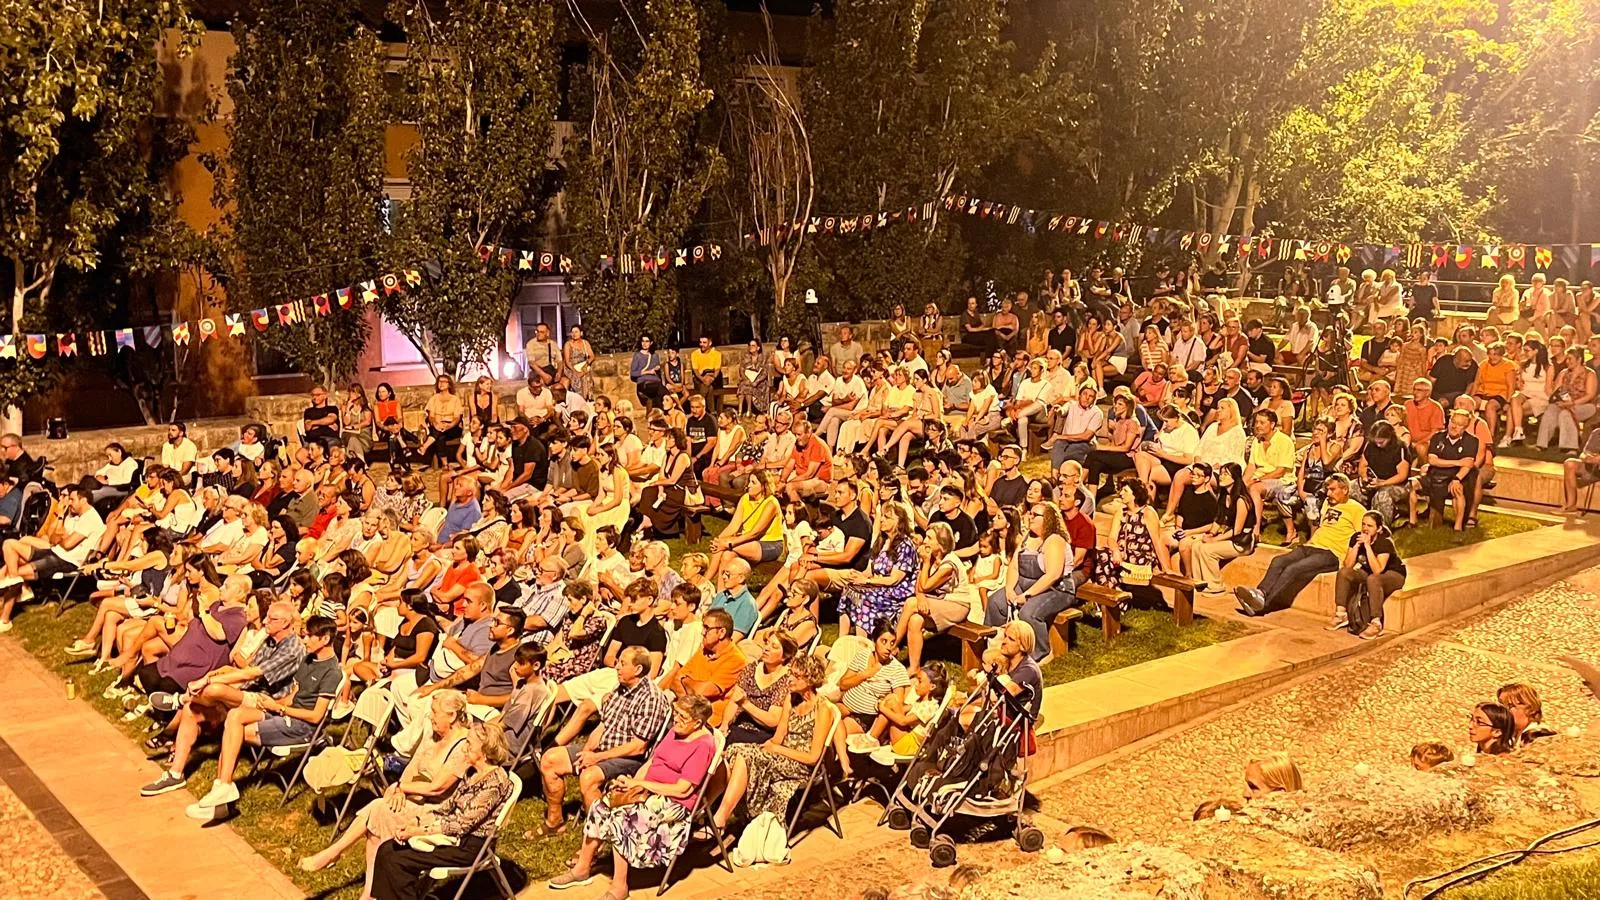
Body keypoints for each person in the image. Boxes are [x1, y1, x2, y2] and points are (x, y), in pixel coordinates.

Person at [297, 689, 474, 889]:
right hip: (415, 798)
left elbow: (437, 788)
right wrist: (399, 789)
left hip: (439, 810)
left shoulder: (463, 746)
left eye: (435, 712)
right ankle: (369, 889)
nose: (430, 716)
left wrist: (402, 788)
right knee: (377, 822)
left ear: (451, 716)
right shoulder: (435, 734)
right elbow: (413, 765)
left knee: (378, 810)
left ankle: (334, 854)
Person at [549, 694, 717, 895]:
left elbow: (683, 789)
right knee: (600, 807)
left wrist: (640, 784)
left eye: (682, 717)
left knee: (623, 817)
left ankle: (620, 886)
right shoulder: (675, 732)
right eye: (675, 714)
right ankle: (582, 868)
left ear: (698, 722)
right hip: (649, 790)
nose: (676, 720)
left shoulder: (703, 745)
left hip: (673, 802)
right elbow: (652, 762)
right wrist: (631, 785)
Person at [180, 615, 339, 816]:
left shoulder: (332, 672)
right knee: (235, 716)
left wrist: (280, 709)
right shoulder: (309, 660)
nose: (304, 640)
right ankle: (222, 788)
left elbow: (316, 717)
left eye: (308, 636)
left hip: (303, 727)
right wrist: (274, 705)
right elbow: (294, 696)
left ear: (324, 639)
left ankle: (221, 797)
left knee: (233, 732)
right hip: (285, 715)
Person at [366, 722, 516, 900]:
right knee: (386, 849)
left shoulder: (495, 783)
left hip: (470, 846)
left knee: (397, 861)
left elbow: (462, 824)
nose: (464, 748)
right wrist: (417, 821)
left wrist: (418, 831)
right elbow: (448, 807)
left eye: (469, 744)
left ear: (483, 752)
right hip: (453, 836)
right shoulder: (472, 774)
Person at [536, 646, 671, 834]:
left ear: (638, 670)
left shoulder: (651, 698)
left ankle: (597, 838)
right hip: (604, 751)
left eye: (622, 664)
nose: (616, 667)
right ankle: (555, 821)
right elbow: (603, 725)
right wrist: (589, 751)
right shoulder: (621, 689)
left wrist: (597, 758)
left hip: (629, 759)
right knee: (550, 759)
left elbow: (638, 747)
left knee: (589, 777)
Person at [711, 651, 838, 830]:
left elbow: (813, 757)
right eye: (790, 674)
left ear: (809, 680)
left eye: (796, 676)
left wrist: (777, 750)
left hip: (802, 765)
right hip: (782, 757)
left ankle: (720, 815)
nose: (790, 679)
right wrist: (769, 746)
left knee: (746, 755)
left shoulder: (823, 709)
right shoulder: (791, 699)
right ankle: (718, 812)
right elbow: (779, 737)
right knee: (739, 751)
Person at [1235, 474, 1364, 617]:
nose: (1328, 494)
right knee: (1278, 561)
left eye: (1333, 490)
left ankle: (1263, 604)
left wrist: (1356, 559)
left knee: (1293, 569)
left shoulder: (1357, 510)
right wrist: (1310, 542)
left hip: (1331, 553)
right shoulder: (1327, 503)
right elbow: (1321, 526)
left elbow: (1360, 537)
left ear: (1345, 490)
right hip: (1312, 547)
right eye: (1327, 490)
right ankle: (1260, 593)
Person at [983, 502, 1074, 661]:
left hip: (1056, 589)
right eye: (1030, 513)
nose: (1030, 517)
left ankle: (1039, 653)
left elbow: (1053, 574)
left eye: (1035, 515)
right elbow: (1014, 567)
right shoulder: (1027, 537)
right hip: (1025, 585)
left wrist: (1027, 595)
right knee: (995, 602)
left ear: (1048, 519)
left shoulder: (1054, 540)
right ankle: (998, 647)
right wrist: (1010, 589)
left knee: (1029, 612)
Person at [837, 504, 917, 637]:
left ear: (897, 521)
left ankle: (861, 644)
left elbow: (893, 580)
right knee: (849, 590)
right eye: (882, 517)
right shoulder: (881, 541)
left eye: (886, 517)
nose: (881, 520)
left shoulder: (905, 545)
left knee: (864, 599)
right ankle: (842, 641)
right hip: (877, 585)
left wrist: (867, 581)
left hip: (894, 593)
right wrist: (858, 577)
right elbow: (869, 570)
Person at [1330, 511, 1404, 640]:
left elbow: (1377, 570)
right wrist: (1357, 546)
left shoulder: (1384, 543)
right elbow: (1347, 565)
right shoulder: (1356, 538)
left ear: (1379, 528)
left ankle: (1376, 623)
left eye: (1370, 526)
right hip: (1369, 572)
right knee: (1344, 573)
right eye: (1363, 524)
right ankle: (1341, 614)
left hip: (1393, 574)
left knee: (1373, 579)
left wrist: (1368, 546)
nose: (1365, 528)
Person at [1414, 408, 1480, 530]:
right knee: (1412, 484)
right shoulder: (1437, 437)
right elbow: (1433, 460)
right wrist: (1458, 462)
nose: (1454, 427)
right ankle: (1412, 522)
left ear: (1465, 427)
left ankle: (1458, 527)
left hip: (1455, 476)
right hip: (1435, 474)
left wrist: (1456, 478)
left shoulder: (1472, 441)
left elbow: (1468, 465)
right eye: (1453, 422)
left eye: (1459, 425)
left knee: (1457, 489)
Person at [1559, 424, 1600, 513]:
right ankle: (1570, 505)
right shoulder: (1597, 433)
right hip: (1592, 468)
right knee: (1569, 463)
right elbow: (1583, 454)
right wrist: (1586, 458)